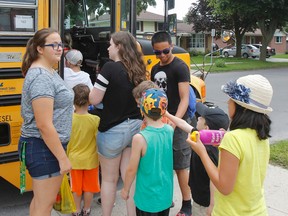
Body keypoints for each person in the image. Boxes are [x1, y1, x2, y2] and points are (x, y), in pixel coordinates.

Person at [187, 74, 273, 215]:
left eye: (231, 99)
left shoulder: (233, 139)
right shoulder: (262, 136)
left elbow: (224, 187)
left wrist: (202, 152)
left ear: (243, 108)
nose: (228, 102)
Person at [89, 31, 147, 216]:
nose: (108, 47)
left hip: (112, 130)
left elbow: (93, 98)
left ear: (119, 47)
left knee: (108, 180)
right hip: (135, 128)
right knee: (129, 178)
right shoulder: (139, 69)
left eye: (111, 44)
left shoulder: (109, 68)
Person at [18, 28, 74, 216]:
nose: (59, 48)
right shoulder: (42, 77)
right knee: (44, 206)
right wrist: (62, 158)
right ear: (40, 49)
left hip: (42, 147)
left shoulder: (47, 71)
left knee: (40, 203)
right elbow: (44, 125)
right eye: (54, 45)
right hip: (44, 148)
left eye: (61, 44)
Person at [150, 31, 192, 216]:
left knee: (180, 165)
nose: (162, 56)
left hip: (178, 122)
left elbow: (184, 99)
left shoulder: (180, 67)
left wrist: (175, 123)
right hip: (159, 122)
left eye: (165, 51)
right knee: (162, 163)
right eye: (157, 52)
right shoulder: (154, 69)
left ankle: (187, 204)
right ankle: (166, 198)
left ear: (171, 46)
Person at [165, 102, 229, 216]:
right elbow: (183, 124)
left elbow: (213, 181)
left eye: (201, 118)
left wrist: (212, 205)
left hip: (204, 203)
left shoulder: (210, 151)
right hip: (198, 196)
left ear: (206, 127)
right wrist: (167, 114)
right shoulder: (201, 136)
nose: (198, 117)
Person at [121, 88, 174, 216]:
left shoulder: (139, 138)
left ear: (142, 110)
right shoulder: (169, 130)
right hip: (165, 195)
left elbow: (131, 169)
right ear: (164, 110)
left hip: (147, 198)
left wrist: (126, 189)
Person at [67, 84, 101, 216]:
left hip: (74, 160)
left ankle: (75, 210)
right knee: (89, 188)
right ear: (89, 101)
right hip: (91, 160)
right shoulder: (95, 120)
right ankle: (87, 209)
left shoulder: (69, 119)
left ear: (73, 101)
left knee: (76, 187)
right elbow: (98, 140)